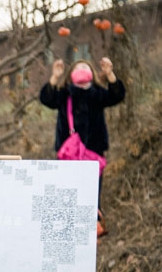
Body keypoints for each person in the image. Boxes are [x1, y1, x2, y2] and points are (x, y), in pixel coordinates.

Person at [39, 57, 125, 237]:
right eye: (77, 67)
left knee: (92, 195)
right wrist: (55, 77)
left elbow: (117, 95)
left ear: (92, 74)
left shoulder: (97, 94)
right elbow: (46, 98)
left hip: (93, 154)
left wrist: (110, 74)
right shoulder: (64, 95)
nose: (81, 69)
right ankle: (65, 233)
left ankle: (92, 231)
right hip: (68, 155)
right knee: (67, 193)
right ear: (70, 75)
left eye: (85, 66)